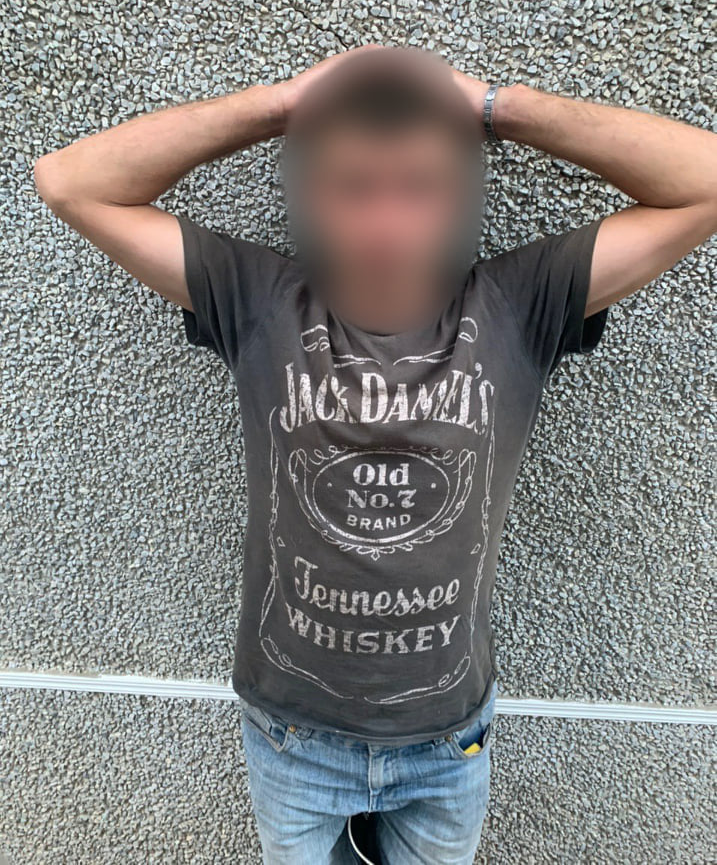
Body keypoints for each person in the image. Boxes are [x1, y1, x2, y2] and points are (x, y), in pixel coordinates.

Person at [33, 44, 717, 865]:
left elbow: (704, 182)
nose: (386, 225)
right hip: (293, 737)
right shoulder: (258, 298)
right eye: (354, 188)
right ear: (309, 198)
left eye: (420, 188)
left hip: (446, 739)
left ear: (460, 199)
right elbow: (68, 182)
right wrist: (282, 104)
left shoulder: (518, 303)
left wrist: (492, 106)